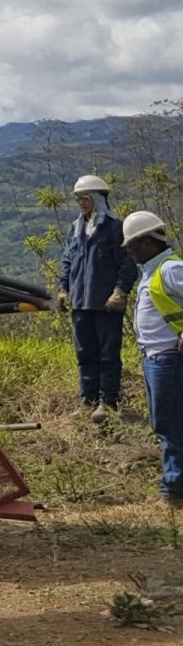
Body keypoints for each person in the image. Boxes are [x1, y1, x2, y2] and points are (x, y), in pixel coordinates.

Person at [57, 174, 136, 421]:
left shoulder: (115, 228)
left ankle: (107, 401)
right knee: (84, 352)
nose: (81, 202)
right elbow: (68, 260)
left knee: (108, 353)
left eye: (85, 197)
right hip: (81, 302)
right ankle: (88, 399)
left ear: (97, 198)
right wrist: (63, 288)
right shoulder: (76, 228)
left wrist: (120, 291)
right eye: (78, 198)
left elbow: (128, 263)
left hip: (105, 303)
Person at [121, 211, 183, 509]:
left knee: (171, 424)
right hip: (155, 359)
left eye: (131, 245)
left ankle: (174, 491)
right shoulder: (152, 270)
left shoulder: (171, 270)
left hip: (168, 360)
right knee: (165, 423)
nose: (129, 251)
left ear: (147, 242)